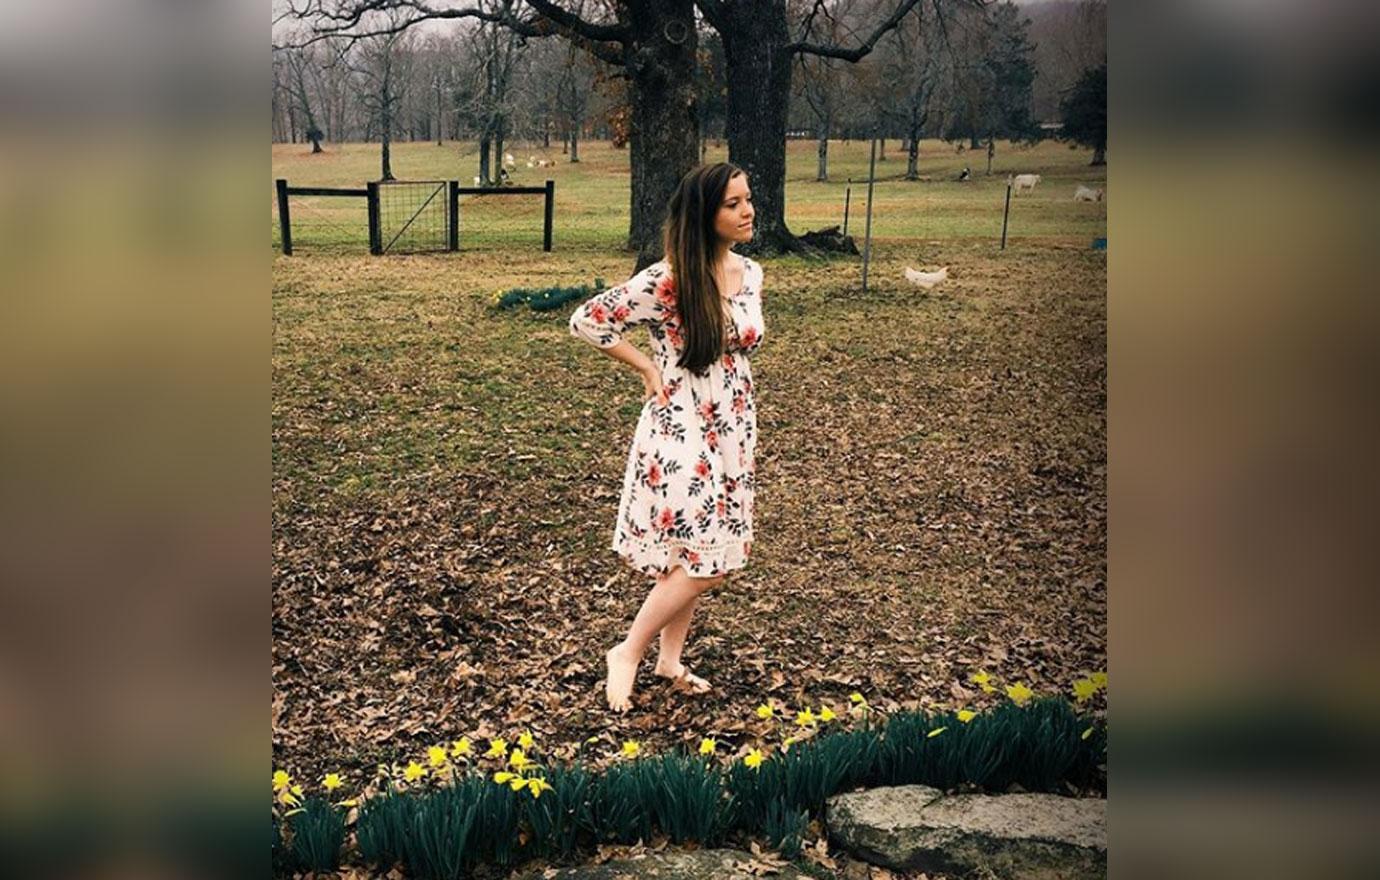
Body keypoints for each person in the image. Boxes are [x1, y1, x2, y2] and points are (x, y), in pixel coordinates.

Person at [568, 162, 764, 712]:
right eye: (732, 204)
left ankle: (670, 660)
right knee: (709, 557)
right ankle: (627, 651)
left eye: (748, 199)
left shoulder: (750, 273)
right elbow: (589, 321)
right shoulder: (668, 279)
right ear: (705, 212)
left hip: (733, 424)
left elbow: (739, 344)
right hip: (679, 424)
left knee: (693, 551)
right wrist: (647, 370)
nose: (747, 211)